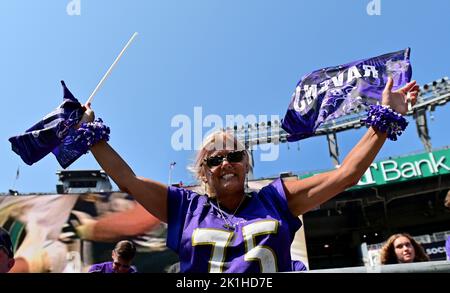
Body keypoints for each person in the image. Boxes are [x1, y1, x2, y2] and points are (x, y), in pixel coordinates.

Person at [81, 76, 419, 272]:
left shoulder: (278, 199)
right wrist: (89, 132)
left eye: (234, 156)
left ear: (247, 164)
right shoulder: (184, 208)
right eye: (215, 160)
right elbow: (126, 179)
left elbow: (347, 174)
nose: (225, 163)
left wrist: (386, 117)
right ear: (203, 172)